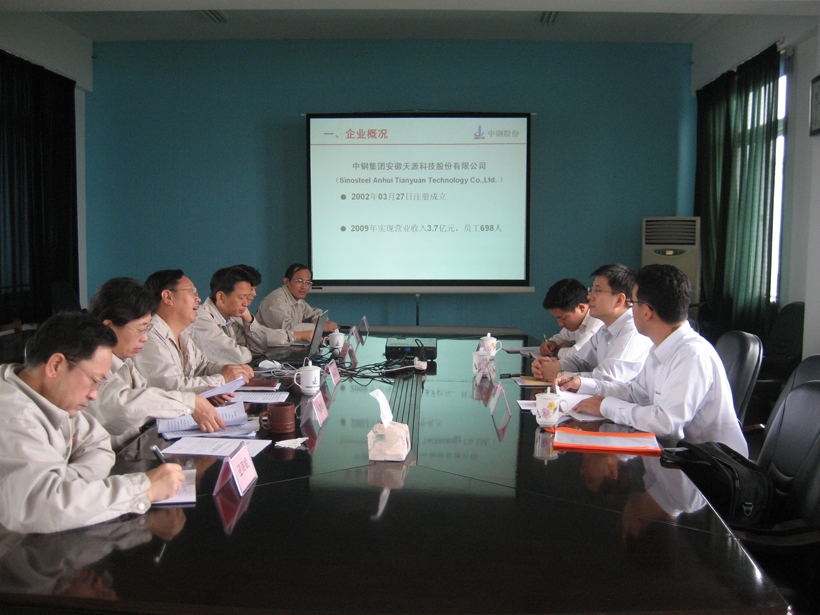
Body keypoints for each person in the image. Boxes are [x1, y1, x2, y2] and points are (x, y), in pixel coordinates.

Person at [0, 312, 185, 534]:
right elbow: (44, 506)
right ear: (56, 365)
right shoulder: (12, 416)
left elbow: (98, 443)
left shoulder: (53, 399)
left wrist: (69, 486)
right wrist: (144, 488)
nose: (94, 395)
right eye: (94, 380)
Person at [558, 264, 748, 454]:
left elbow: (667, 423)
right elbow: (636, 393)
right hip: (674, 454)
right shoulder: (660, 347)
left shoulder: (692, 355)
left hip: (709, 463)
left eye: (633, 303)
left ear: (647, 312)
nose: (630, 310)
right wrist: (583, 385)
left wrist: (607, 407)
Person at [85, 277, 227, 450]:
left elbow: (147, 395)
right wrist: (189, 403)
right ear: (109, 327)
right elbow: (122, 408)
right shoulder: (87, 363)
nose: (145, 338)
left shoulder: (125, 361)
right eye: (140, 329)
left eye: (147, 329)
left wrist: (199, 398)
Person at [134, 269, 253, 393]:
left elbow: (202, 366)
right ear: (168, 297)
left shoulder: (182, 333)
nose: (198, 299)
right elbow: (170, 387)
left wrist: (231, 370)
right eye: (192, 291)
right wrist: (222, 379)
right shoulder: (149, 335)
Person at [532, 264, 652, 386]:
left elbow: (608, 379)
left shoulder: (632, 330)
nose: (589, 296)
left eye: (597, 291)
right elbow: (580, 360)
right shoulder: (606, 328)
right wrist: (551, 365)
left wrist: (559, 375)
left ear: (619, 300)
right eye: (592, 289)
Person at [190, 266, 311, 364]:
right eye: (241, 297)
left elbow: (259, 349)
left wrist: (249, 321)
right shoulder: (200, 319)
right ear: (221, 297)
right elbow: (238, 357)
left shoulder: (230, 319)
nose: (245, 303)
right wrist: (246, 350)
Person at [255, 263, 338, 336]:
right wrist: (319, 327)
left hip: (285, 345)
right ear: (287, 281)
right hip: (267, 348)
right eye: (299, 281)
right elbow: (286, 329)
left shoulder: (297, 300)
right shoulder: (276, 300)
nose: (304, 287)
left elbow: (316, 313)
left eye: (308, 282)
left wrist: (316, 320)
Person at [539, 278, 604, 359]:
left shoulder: (597, 321)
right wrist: (551, 343)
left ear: (581, 308)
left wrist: (558, 351)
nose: (560, 324)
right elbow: (562, 337)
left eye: (563, 318)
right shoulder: (577, 322)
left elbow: (579, 354)